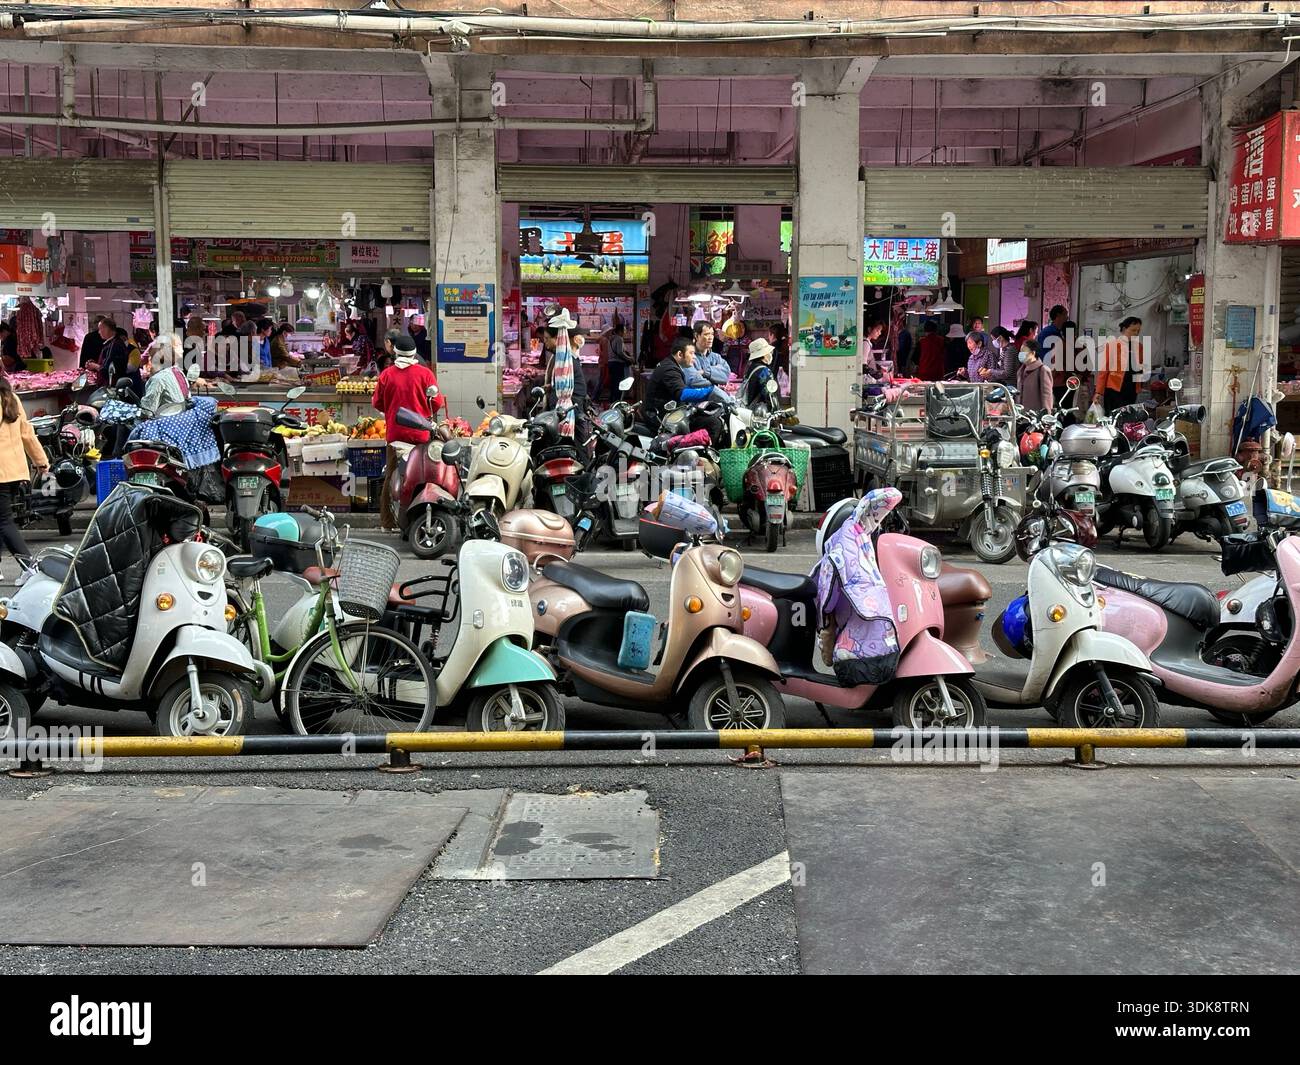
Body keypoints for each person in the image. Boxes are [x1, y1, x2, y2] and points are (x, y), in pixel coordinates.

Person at [372, 334, 445, 532]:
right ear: (414, 354)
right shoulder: (425, 374)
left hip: (395, 436)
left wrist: (391, 409)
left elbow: (377, 402)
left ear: (395, 353)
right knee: (422, 476)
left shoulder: (387, 374)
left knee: (391, 476)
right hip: (420, 436)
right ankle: (417, 518)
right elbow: (437, 403)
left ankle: (387, 523)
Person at [0, 376, 49, 566]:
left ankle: (29, 566)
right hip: (15, 472)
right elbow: (27, 434)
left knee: (4, 522)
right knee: (2, 520)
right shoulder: (12, 398)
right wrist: (41, 461)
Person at [645, 336, 722, 444]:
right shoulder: (670, 369)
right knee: (713, 423)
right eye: (691, 353)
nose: (694, 357)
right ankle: (701, 458)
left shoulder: (671, 364)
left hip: (671, 412)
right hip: (662, 417)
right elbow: (682, 394)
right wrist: (710, 392)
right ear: (680, 354)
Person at [1093, 315, 1143, 414]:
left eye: (1138, 331)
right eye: (1133, 330)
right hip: (1114, 390)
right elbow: (1104, 370)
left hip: (1131, 389)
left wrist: (1140, 385)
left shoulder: (1139, 347)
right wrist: (1098, 392)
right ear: (1124, 329)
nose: (1136, 333)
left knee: (1128, 417)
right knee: (1113, 417)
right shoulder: (1112, 345)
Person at [1016, 338, 1053, 413]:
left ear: (1033, 353)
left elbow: (1047, 396)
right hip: (1021, 416)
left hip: (1035, 418)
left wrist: (1046, 415)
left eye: (1024, 351)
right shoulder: (1021, 370)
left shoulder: (1042, 370)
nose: (1021, 354)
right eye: (1020, 351)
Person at [692, 321, 730, 387]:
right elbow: (693, 381)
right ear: (696, 336)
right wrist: (715, 377)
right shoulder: (689, 357)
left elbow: (726, 376)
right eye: (706, 334)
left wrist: (704, 372)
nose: (711, 338)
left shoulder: (716, 357)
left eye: (712, 334)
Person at [743, 337, 778, 409]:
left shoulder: (750, 367)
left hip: (750, 409)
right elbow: (770, 396)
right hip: (761, 411)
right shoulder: (764, 372)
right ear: (763, 354)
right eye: (769, 352)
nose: (771, 354)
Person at [1037, 305, 1068, 371]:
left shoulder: (1058, 332)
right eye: (1065, 314)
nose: (1067, 317)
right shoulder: (1050, 332)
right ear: (1058, 315)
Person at [606, 322, 629, 399]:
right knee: (619, 384)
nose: (625, 332)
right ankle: (617, 401)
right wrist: (629, 359)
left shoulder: (611, 338)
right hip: (618, 364)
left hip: (611, 363)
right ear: (620, 331)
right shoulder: (619, 338)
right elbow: (620, 352)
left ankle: (612, 400)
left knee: (613, 383)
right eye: (624, 330)